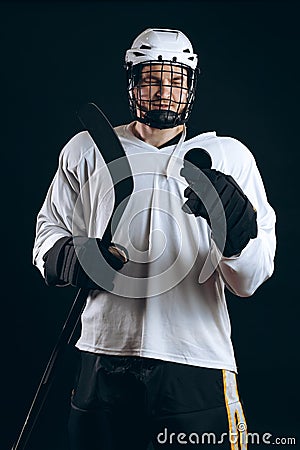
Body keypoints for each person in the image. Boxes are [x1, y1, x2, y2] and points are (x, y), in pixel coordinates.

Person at [32, 28, 276, 449]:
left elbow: (251, 279)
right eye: (152, 78)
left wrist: (238, 235)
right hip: (103, 356)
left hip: (195, 362)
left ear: (191, 85)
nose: (165, 90)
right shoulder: (88, 149)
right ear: (133, 82)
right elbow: (47, 234)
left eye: (176, 79)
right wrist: (71, 257)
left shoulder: (227, 157)